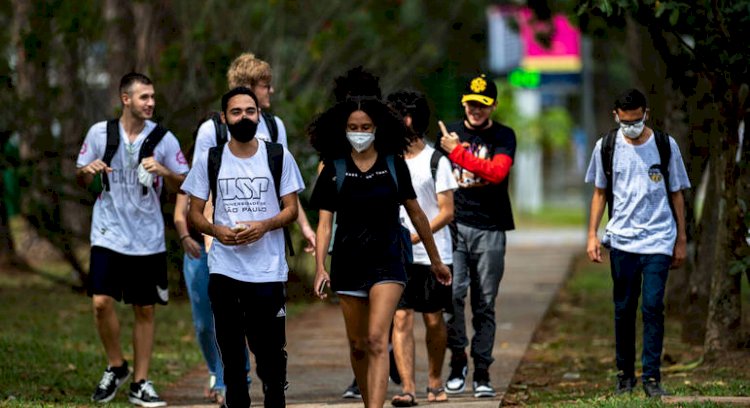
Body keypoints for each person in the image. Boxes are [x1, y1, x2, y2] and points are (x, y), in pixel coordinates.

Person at [309, 94, 452, 408]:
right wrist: (320, 267)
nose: (359, 132)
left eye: (366, 126)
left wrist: (436, 261)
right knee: (358, 345)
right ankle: (368, 402)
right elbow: (324, 223)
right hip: (347, 262)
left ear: (377, 128)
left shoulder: (392, 163)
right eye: (353, 127)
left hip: (388, 261)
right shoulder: (334, 168)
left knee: (376, 339)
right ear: (342, 129)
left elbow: (417, 214)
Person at [181, 86, 304, 408]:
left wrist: (264, 225)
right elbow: (193, 211)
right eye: (236, 112)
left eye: (250, 111)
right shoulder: (212, 158)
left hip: (268, 269)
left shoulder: (277, 155)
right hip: (225, 267)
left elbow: (291, 208)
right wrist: (215, 230)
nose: (244, 117)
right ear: (225, 118)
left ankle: (274, 398)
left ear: (258, 115)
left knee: (270, 352)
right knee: (232, 353)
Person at [77, 72, 189, 407]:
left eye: (153, 97)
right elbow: (80, 176)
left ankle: (140, 381)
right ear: (125, 99)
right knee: (100, 303)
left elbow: (184, 184)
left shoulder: (164, 139)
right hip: (108, 231)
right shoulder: (100, 133)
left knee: (144, 309)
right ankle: (116, 365)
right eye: (144, 97)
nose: (151, 103)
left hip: (147, 237)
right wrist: (89, 171)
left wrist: (165, 172)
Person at [585, 89, 690, 398]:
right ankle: (624, 376)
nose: (631, 126)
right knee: (624, 309)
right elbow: (599, 193)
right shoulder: (606, 146)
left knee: (654, 306)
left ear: (646, 113)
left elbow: (677, 193)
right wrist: (592, 234)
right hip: (622, 239)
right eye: (625, 120)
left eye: (636, 119)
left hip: (659, 238)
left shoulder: (664, 145)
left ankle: (652, 377)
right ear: (616, 115)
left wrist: (681, 239)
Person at [438, 74, 516, 398]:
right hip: (455, 227)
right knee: (452, 297)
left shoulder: (503, 136)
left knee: (484, 303)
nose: (475, 110)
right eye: (471, 103)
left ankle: (482, 370)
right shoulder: (449, 134)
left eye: (483, 105)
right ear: (464, 103)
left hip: (491, 228)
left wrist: (457, 153)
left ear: (493, 106)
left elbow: (497, 173)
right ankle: (458, 361)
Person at [192, 52, 315, 253]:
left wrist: (306, 228)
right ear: (248, 87)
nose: (271, 90)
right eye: (266, 86)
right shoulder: (213, 130)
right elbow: (203, 190)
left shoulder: (274, 126)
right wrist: (211, 236)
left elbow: (286, 186)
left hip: (267, 243)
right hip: (223, 241)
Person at [386, 90, 457, 406]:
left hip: (434, 253)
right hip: (397, 256)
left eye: (402, 115)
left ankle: (435, 381)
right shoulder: (387, 159)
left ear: (414, 119)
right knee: (400, 319)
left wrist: (417, 236)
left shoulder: (435, 160)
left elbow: (447, 210)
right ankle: (408, 388)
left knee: (432, 319)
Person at [173, 139, 228, 404]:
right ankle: (213, 369)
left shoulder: (230, 170)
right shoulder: (193, 175)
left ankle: (224, 380)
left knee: (228, 318)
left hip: (227, 252)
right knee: (204, 324)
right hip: (197, 253)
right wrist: (185, 238)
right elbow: (179, 214)